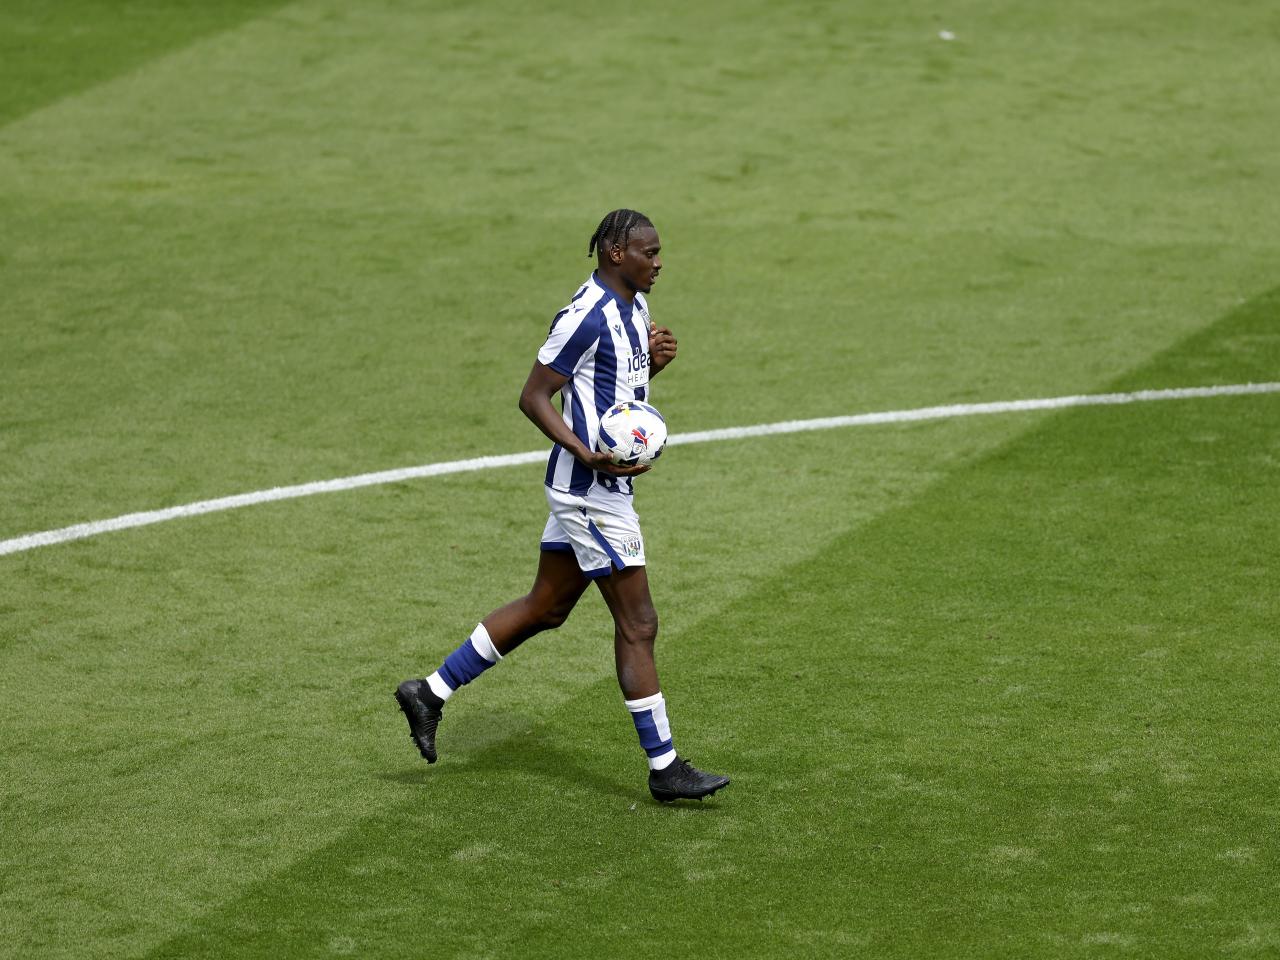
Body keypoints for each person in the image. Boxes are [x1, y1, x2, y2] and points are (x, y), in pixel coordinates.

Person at [396, 209, 730, 803]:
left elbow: (612, 393)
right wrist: (585, 452)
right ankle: (665, 768)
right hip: (589, 491)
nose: (659, 263)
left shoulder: (635, 306)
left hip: (597, 484)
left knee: (546, 607)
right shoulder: (585, 316)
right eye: (649, 252)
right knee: (639, 624)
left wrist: (652, 365)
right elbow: (534, 396)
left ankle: (428, 692)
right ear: (615, 253)